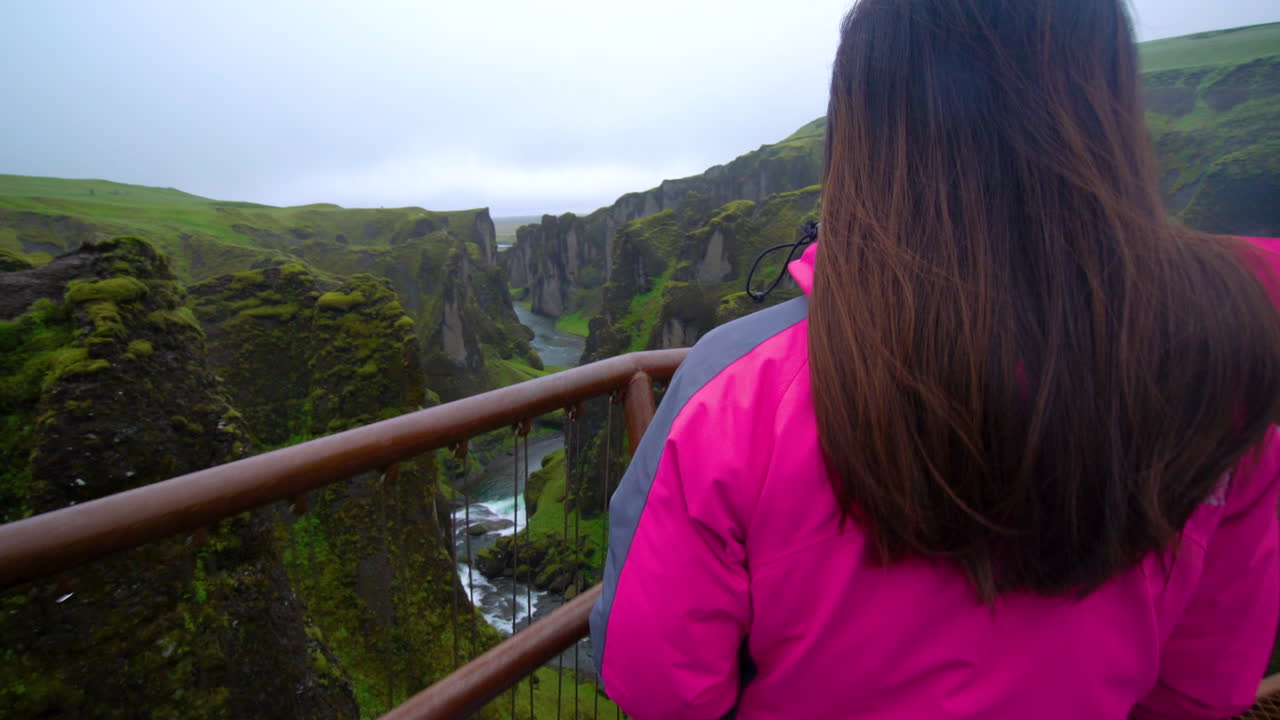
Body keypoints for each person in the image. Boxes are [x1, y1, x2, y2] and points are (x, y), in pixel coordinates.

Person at [588, 0, 1280, 718]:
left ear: (865, 129)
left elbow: (657, 683)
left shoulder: (737, 390)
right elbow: (1205, 683)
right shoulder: (1222, 374)